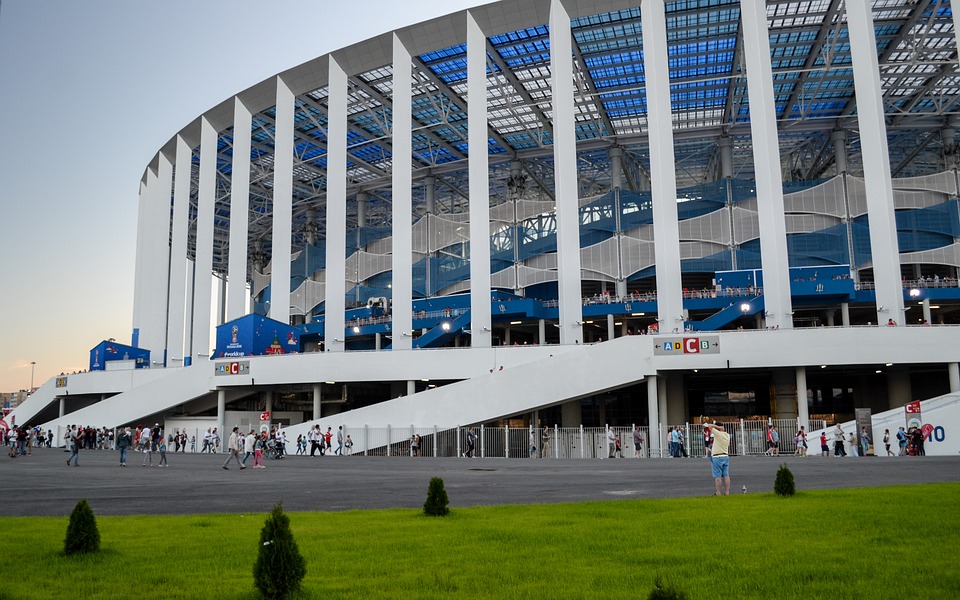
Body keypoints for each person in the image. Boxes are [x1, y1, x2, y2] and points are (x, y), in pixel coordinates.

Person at [704, 422, 731, 495]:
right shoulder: (727, 435)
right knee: (726, 475)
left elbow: (709, 426)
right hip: (725, 455)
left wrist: (718, 427)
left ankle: (718, 492)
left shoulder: (718, 434)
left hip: (717, 457)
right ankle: (727, 492)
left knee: (718, 476)